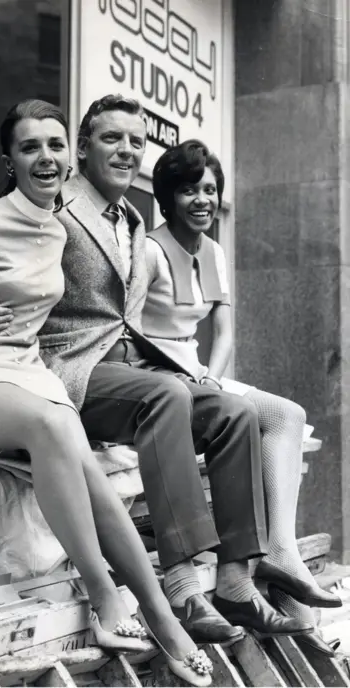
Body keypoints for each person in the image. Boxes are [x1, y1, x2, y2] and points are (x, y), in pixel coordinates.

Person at [0, 94, 312, 643]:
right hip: (66, 368)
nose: (125, 150)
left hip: (127, 366)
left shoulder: (135, 219)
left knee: (234, 412)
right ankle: (184, 585)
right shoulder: (52, 203)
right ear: (83, 149)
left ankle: (236, 581)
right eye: (111, 138)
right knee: (166, 397)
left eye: (136, 142)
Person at [0, 99, 214, 687]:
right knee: (56, 426)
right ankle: (103, 593)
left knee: (85, 466)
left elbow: (86, 305)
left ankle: (163, 617)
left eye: (56, 145)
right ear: (10, 159)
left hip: (28, 370)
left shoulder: (65, 225)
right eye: (30, 147)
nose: (46, 158)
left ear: (71, 156)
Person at [142, 138, 341, 648]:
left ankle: (280, 551)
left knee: (286, 415)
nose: (202, 200)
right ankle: (267, 567)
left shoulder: (213, 252)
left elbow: (225, 332)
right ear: (167, 198)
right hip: (154, 372)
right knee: (247, 419)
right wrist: (187, 378)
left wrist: (211, 374)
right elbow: (126, 327)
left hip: (195, 370)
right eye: (188, 190)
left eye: (209, 189)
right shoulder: (148, 250)